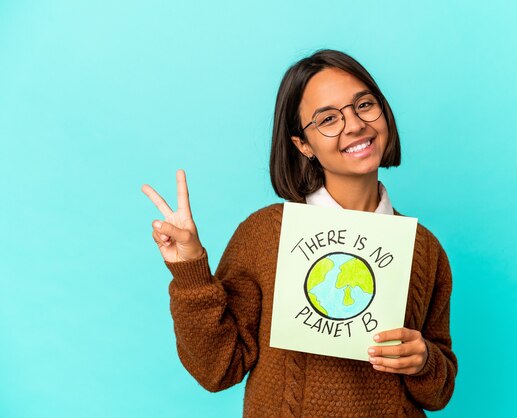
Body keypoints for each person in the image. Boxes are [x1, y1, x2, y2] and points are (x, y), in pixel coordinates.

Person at [142, 49, 457, 417]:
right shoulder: (265, 235)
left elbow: (439, 391)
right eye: (328, 119)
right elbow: (218, 370)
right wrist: (191, 270)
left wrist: (424, 361)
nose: (354, 125)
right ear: (302, 145)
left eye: (365, 105)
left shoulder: (423, 249)